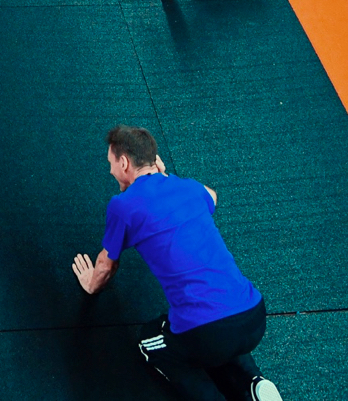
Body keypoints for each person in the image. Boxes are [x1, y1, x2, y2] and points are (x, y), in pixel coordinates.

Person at [72, 126, 283, 401]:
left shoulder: (123, 205)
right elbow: (212, 196)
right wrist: (165, 176)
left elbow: (107, 266)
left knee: (149, 341)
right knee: (219, 333)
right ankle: (254, 384)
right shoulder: (188, 188)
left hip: (207, 333)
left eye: (111, 162)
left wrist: (91, 285)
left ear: (124, 163)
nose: (111, 170)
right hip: (254, 316)